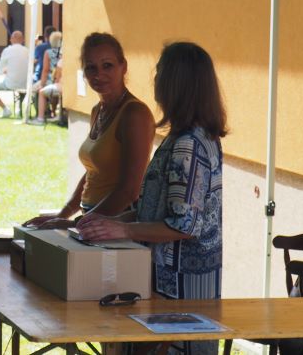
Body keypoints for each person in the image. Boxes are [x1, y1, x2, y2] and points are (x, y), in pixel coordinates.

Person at [78, 41, 226, 355]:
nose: (155, 81)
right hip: (169, 280)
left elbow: (183, 224)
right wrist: (107, 222)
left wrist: (122, 229)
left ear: (176, 84)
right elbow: (156, 206)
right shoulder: (188, 136)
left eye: (160, 73)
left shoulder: (189, 144)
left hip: (182, 286)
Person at [24, 32, 154, 227]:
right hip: (94, 219)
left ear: (123, 66)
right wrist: (63, 215)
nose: (98, 75)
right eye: (91, 68)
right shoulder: (98, 110)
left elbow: (129, 191)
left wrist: (78, 224)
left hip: (117, 224)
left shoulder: (134, 114)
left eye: (107, 65)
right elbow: (93, 173)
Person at [0, 30, 29, 118]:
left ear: (12, 39)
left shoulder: (7, 50)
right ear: (22, 40)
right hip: (26, 84)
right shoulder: (27, 50)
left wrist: (7, 70)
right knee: (19, 88)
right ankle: (18, 108)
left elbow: (0, 69)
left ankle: (5, 109)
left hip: (10, 83)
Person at [27, 31, 63, 125]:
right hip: (59, 80)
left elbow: (45, 70)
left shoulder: (48, 52)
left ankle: (41, 115)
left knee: (35, 89)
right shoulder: (63, 53)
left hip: (51, 79)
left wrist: (42, 84)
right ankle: (51, 112)